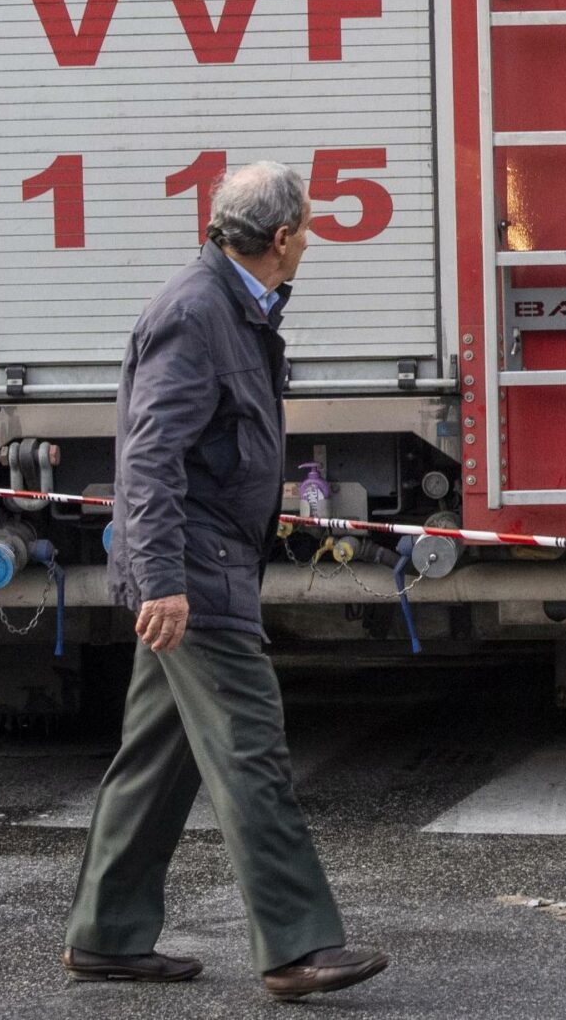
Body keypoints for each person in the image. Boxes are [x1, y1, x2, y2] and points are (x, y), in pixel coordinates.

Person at [64, 163, 388, 1000]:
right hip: (194, 574)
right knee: (250, 747)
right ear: (281, 240)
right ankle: (296, 946)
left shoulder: (232, 306)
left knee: (157, 757)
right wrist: (166, 580)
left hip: (202, 561)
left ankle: (107, 935)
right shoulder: (198, 312)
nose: (310, 240)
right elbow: (148, 455)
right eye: (307, 229)